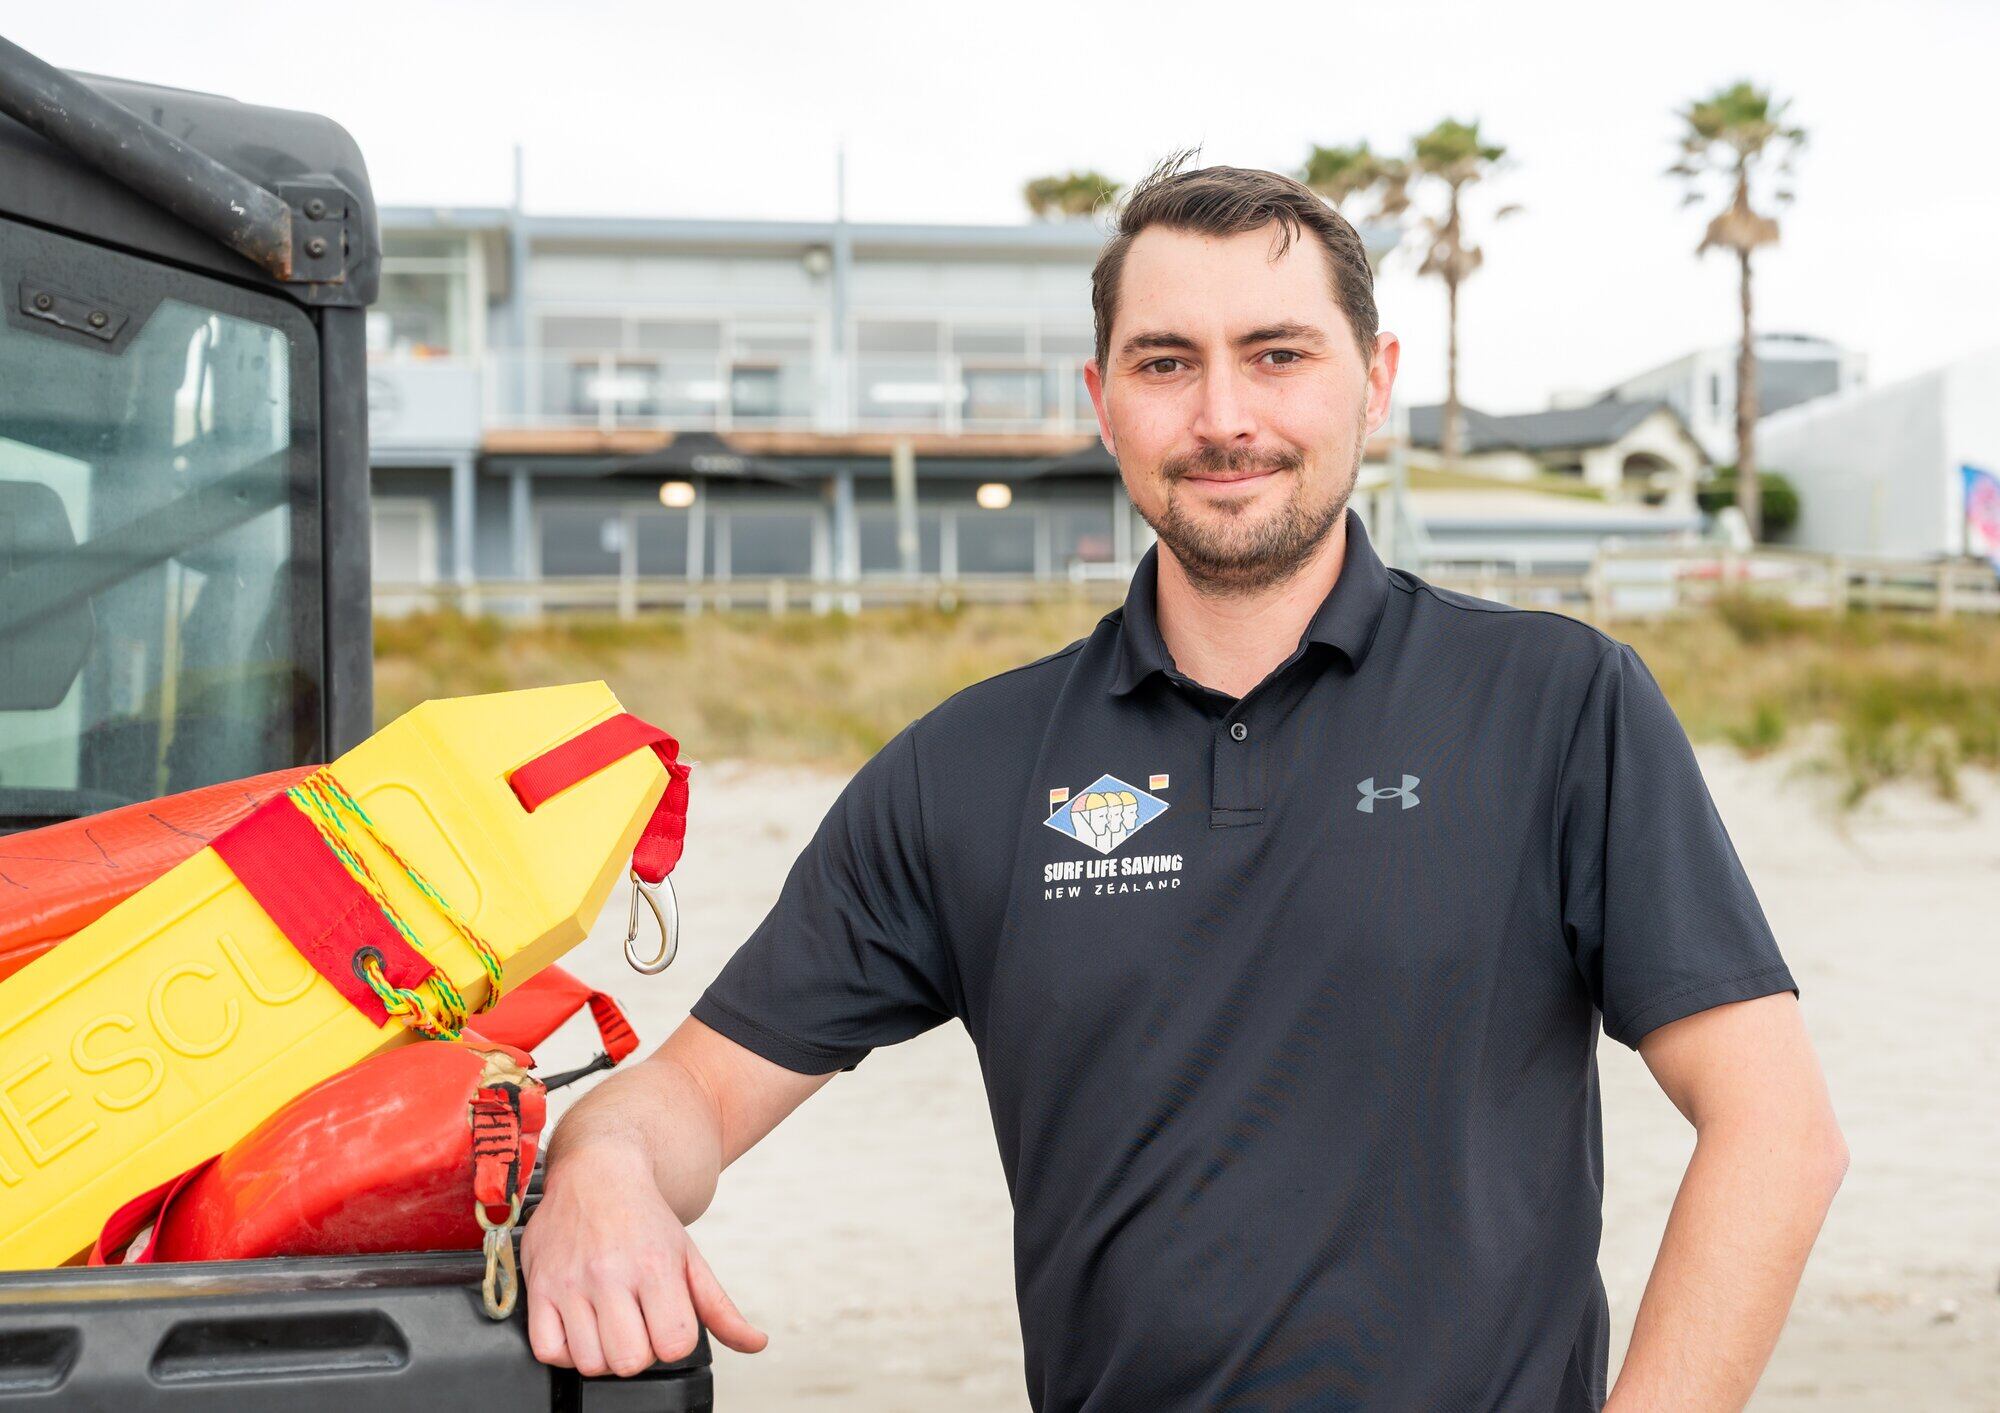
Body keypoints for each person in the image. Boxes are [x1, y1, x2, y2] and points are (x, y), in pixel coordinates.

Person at [522, 157, 1847, 1411]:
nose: (1224, 416)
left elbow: (1775, 1129)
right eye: (1169, 363)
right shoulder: (967, 770)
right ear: (1104, 397)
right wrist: (604, 1160)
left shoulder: (1559, 704)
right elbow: (693, 1095)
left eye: (1279, 354)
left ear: (1373, 381)